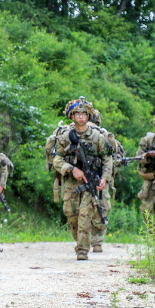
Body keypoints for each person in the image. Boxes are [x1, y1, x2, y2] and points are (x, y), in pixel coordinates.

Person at [52, 97, 113, 260]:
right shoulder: (64, 137)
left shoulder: (97, 137)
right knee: (71, 214)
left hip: (90, 181)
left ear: (88, 116)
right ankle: (80, 240)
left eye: (83, 114)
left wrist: (105, 178)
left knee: (85, 215)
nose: (80, 116)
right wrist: (71, 168)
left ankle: (82, 250)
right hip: (71, 182)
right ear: (72, 116)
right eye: (77, 114)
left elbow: (108, 159)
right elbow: (57, 160)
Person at [88, 109, 125, 252]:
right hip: (80, 176)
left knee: (101, 207)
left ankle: (97, 241)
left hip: (100, 176)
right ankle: (84, 240)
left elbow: (118, 156)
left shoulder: (105, 136)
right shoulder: (75, 134)